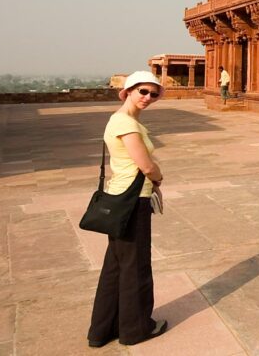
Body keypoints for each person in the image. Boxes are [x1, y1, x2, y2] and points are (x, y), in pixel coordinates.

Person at [87, 71, 168, 347]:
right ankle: (136, 329)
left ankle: (102, 330)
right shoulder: (125, 123)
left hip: (121, 198)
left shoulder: (125, 120)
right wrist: (157, 177)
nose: (147, 97)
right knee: (136, 267)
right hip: (132, 201)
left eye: (153, 94)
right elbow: (145, 165)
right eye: (142, 91)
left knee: (116, 267)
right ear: (128, 90)